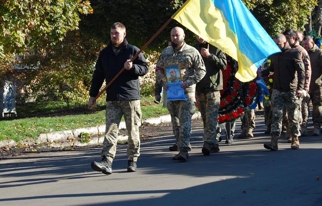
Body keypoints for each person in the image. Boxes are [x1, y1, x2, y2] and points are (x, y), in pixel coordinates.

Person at [89, 22, 149, 175]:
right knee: (110, 130)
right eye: (112, 33)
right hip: (113, 97)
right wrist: (93, 95)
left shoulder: (132, 51)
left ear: (124, 34)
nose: (114, 36)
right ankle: (106, 161)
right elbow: (98, 75)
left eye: (117, 33)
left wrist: (132, 68)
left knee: (133, 131)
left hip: (130, 98)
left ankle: (132, 159)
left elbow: (144, 68)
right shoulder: (105, 53)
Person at [155, 27, 206, 162]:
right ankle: (179, 144)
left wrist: (189, 82)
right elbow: (159, 68)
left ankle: (184, 150)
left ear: (183, 36)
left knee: (184, 120)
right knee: (175, 120)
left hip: (186, 91)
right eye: (172, 35)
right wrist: (162, 81)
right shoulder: (166, 52)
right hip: (171, 91)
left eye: (177, 35)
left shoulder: (192, 52)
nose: (175, 38)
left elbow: (201, 70)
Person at [263, 34, 305, 151]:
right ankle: (274, 141)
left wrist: (300, 88)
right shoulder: (275, 55)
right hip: (277, 89)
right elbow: (272, 68)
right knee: (276, 115)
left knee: (293, 116)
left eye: (278, 44)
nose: (276, 46)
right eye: (275, 44)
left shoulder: (294, 53)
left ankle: (295, 138)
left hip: (291, 90)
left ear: (285, 42)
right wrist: (261, 73)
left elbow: (301, 72)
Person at [194, 35, 227, 155]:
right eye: (197, 34)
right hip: (200, 88)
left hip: (213, 88)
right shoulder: (194, 49)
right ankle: (214, 143)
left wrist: (209, 56)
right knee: (205, 118)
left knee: (211, 117)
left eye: (201, 34)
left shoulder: (216, 47)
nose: (200, 37)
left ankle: (207, 143)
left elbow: (223, 64)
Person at [284, 29, 311, 137]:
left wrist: (305, 87)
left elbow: (306, 70)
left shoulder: (301, 51)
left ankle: (299, 131)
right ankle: (290, 131)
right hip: (287, 86)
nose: (285, 41)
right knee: (288, 112)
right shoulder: (285, 51)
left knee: (299, 110)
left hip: (298, 85)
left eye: (287, 38)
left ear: (294, 39)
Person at [302, 36, 322, 136]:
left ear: (312, 43)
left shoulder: (320, 53)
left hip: (317, 84)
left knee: (317, 107)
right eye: (303, 44)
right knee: (303, 106)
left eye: (307, 44)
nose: (305, 46)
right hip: (305, 85)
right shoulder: (301, 52)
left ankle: (316, 126)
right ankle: (303, 126)